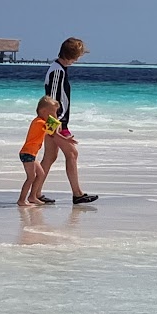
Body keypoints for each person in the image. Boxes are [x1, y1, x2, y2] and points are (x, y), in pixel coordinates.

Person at [41, 37, 98, 204]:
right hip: (55, 121)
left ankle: (35, 193)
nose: (79, 58)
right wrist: (55, 127)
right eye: (78, 55)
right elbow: (51, 99)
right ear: (72, 55)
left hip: (57, 121)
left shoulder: (59, 69)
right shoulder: (57, 71)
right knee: (72, 153)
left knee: (50, 157)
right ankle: (77, 194)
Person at [17, 95, 60, 206]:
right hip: (27, 154)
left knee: (40, 174)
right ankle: (21, 200)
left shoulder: (42, 122)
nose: (54, 115)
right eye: (52, 113)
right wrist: (55, 120)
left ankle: (32, 196)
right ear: (43, 111)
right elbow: (53, 131)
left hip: (32, 154)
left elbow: (53, 132)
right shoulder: (39, 122)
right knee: (31, 177)